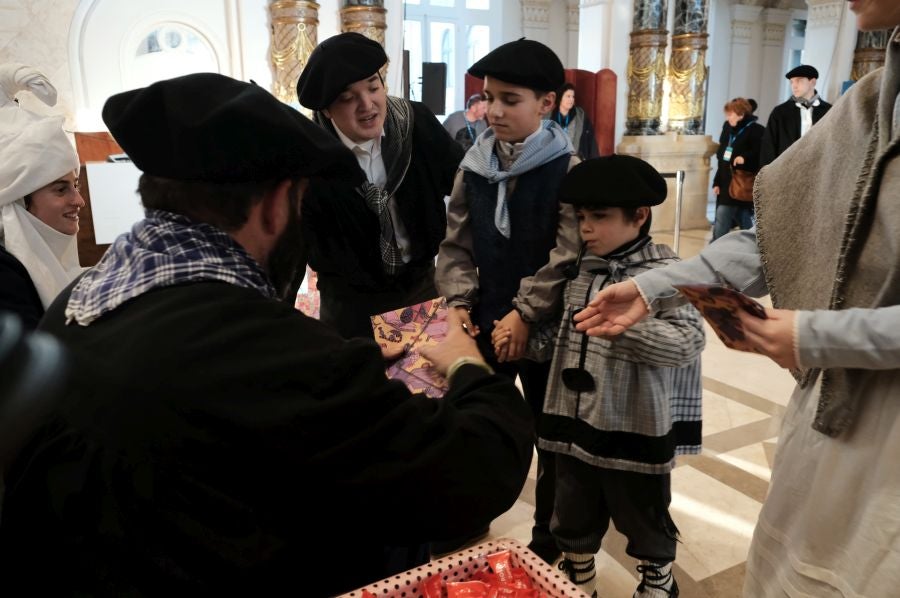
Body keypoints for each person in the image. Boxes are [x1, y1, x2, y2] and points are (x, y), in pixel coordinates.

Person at [0, 73, 534, 597]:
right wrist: (466, 363)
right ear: (277, 203)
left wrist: (346, 357)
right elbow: (477, 471)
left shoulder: (78, 303)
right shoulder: (261, 349)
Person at [572, 4, 900, 595]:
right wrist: (652, 287)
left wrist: (813, 336)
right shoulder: (873, 99)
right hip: (833, 404)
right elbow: (778, 231)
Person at [526, 155, 703, 598]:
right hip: (573, 417)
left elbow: (688, 343)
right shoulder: (582, 269)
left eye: (599, 217)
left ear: (639, 216)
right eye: (582, 217)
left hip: (633, 421)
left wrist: (631, 327)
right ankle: (579, 570)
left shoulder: (668, 275)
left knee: (642, 507)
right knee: (573, 504)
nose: (586, 228)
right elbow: (564, 328)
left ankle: (657, 576)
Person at [435, 38, 580, 563]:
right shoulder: (473, 164)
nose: (493, 110)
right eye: (488, 96)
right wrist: (456, 302)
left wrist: (524, 313)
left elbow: (568, 254)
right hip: (482, 319)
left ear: (546, 103)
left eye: (510, 99)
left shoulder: (566, 167)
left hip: (543, 323)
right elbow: (454, 244)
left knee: (551, 438)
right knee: (473, 422)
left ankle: (549, 537)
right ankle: (467, 519)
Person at [295, 32, 464, 339]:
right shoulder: (311, 157)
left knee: (424, 385)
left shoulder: (413, 124)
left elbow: (463, 184)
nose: (367, 104)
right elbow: (294, 243)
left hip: (418, 287)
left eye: (373, 87)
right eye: (348, 98)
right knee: (363, 386)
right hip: (351, 302)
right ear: (327, 110)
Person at [0, 63, 84, 330]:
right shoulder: (6, 281)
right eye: (61, 189)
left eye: (76, 185)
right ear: (19, 202)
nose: (79, 201)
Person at [710, 98, 764, 241]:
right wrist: (716, 182)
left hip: (742, 182)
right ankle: (754, 244)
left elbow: (760, 154)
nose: (728, 118)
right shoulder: (728, 128)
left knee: (723, 216)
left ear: (741, 115)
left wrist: (744, 158)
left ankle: (716, 248)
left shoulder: (756, 130)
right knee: (743, 218)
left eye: (731, 114)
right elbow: (723, 159)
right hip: (726, 182)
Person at [760, 64, 832, 166]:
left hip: (818, 171)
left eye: (799, 80)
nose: (794, 86)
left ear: (812, 82)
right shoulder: (780, 112)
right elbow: (768, 146)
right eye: (792, 82)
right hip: (786, 171)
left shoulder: (829, 111)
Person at [549, 82, 598, 160]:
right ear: (560, 98)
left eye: (573, 96)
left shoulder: (581, 116)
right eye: (568, 96)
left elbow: (591, 142)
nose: (571, 99)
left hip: (575, 159)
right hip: (554, 159)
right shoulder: (549, 117)